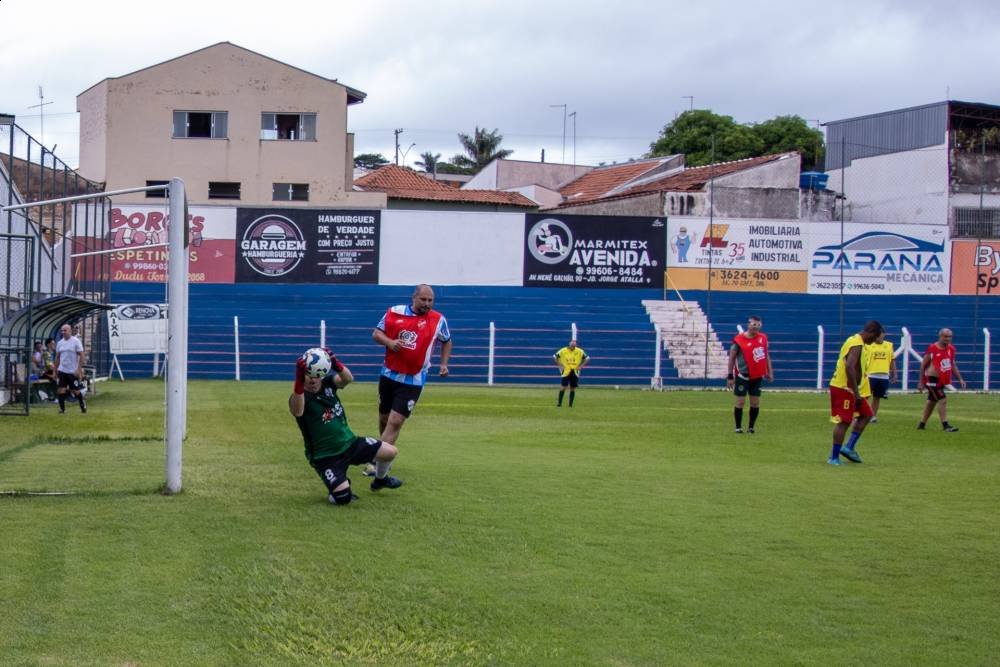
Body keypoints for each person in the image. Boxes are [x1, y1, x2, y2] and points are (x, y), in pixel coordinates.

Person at [289, 349, 402, 505]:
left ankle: (380, 480)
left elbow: (348, 379)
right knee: (343, 498)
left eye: (317, 375)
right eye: (309, 376)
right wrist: (298, 380)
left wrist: (335, 363)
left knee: (391, 452)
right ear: (303, 376)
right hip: (326, 457)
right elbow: (297, 411)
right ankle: (339, 485)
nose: (313, 380)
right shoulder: (300, 397)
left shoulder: (328, 384)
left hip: (350, 443)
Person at [372, 284, 452, 451]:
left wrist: (444, 364)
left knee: (395, 421)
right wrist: (390, 342)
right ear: (414, 298)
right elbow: (377, 334)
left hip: (414, 379)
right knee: (384, 419)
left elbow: (447, 340)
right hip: (389, 374)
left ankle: (376, 459)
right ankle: (385, 455)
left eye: (430, 300)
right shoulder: (394, 312)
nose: (427, 303)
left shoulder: (438, 320)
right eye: (423, 299)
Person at [827, 320, 883, 465]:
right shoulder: (856, 344)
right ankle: (833, 457)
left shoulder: (857, 342)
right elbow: (849, 367)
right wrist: (856, 393)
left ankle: (849, 447)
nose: (874, 341)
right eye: (875, 337)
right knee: (844, 421)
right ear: (871, 333)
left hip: (852, 389)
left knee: (867, 414)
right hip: (844, 388)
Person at [726, 315, 773, 433]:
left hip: (757, 376)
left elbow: (766, 355)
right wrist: (730, 376)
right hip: (742, 376)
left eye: (758, 325)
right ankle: (738, 427)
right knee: (740, 402)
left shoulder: (763, 338)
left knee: (755, 402)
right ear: (749, 325)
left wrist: (769, 371)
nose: (756, 327)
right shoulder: (738, 340)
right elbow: (731, 358)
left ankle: (751, 427)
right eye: (754, 324)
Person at [917, 328, 966, 432]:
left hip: (941, 380)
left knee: (931, 402)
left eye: (950, 337)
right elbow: (923, 365)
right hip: (932, 379)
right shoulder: (932, 348)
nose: (948, 339)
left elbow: (952, 365)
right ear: (940, 336)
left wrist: (960, 379)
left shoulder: (951, 349)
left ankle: (921, 425)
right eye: (945, 336)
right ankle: (945, 425)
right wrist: (921, 382)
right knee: (942, 399)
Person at [863, 332, 897, 423]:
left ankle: (872, 416)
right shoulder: (868, 345)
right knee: (865, 396)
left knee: (877, 397)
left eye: (881, 334)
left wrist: (895, 373)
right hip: (870, 374)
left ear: (883, 334)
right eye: (877, 334)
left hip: (884, 375)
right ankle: (860, 414)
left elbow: (892, 360)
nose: (879, 336)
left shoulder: (889, 345)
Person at [54, 323, 87, 414]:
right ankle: (62, 409)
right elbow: (57, 357)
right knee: (61, 390)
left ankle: (82, 405)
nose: (63, 332)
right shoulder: (60, 343)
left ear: (70, 331)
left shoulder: (76, 341)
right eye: (62, 330)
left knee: (75, 391)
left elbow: (82, 355)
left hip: (72, 371)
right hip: (62, 370)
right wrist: (55, 370)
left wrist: (79, 369)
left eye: (65, 330)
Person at [553, 339, 589, 407]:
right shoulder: (563, 350)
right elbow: (554, 357)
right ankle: (559, 403)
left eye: (574, 345)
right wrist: (560, 365)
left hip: (575, 371)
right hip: (566, 371)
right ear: (569, 344)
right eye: (572, 345)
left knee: (572, 388)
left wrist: (581, 366)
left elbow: (587, 358)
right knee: (563, 387)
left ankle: (570, 405)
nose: (573, 346)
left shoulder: (580, 351)